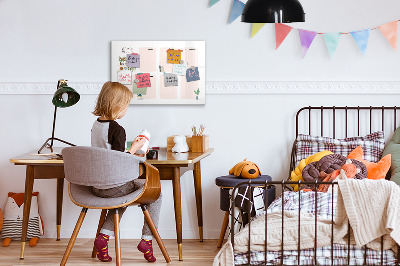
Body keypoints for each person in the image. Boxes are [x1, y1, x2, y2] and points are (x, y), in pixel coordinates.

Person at [91, 81, 161, 263]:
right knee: (156, 194)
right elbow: (118, 161)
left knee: (121, 198)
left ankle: (103, 238)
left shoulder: (96, 125)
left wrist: (130, 149)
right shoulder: (117, 129)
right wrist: (135, 149)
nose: (126, 109)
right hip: (114, 186)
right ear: (117, 105)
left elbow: (108, 154)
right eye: (126, 105)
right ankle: (147, 240)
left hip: (97, 186)